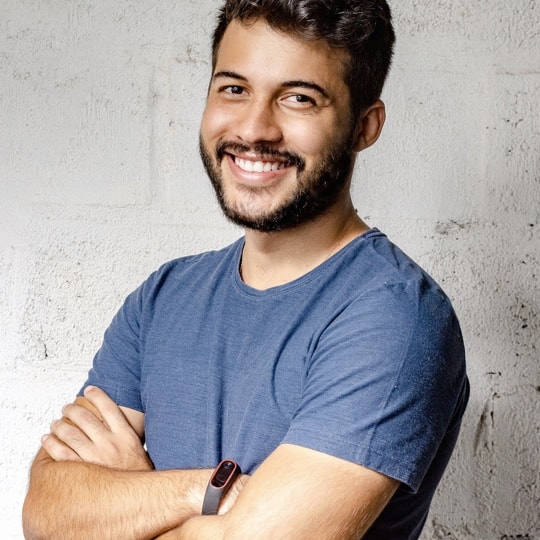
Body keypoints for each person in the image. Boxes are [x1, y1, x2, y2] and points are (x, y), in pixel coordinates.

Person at [22, 0, 469, 538]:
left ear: (364, 127)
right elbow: (47, 513)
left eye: (299, 98)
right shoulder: (164, 297)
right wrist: (215, 492)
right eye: (234, 88)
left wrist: (129, 491)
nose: (255, 129)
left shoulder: (395, 315)